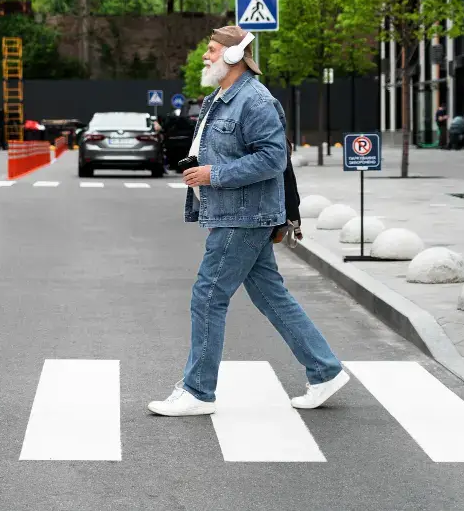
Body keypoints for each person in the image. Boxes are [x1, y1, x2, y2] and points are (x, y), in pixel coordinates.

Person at [147, 25, 348, 417]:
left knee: (208, 296)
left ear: (234, 55)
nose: (205, 56)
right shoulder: (219, 99)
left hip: (244, 215)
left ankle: (198, 392)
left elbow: (273, 158)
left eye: (211, 50)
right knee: (271, 295)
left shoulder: (254, 100)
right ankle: (325, 371)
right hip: (235, 211)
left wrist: (212, 174)